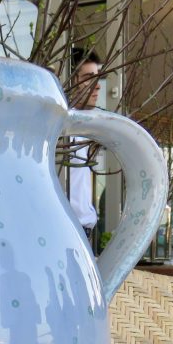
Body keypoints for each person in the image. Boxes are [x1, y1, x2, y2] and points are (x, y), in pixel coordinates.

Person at [63, 48, 103, 241]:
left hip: (80, 232)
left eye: (97, 78)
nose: (98, 86)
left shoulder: (81, 129)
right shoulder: (61, 131)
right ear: (69, 81)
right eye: (89, 78)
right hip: (68, 232)